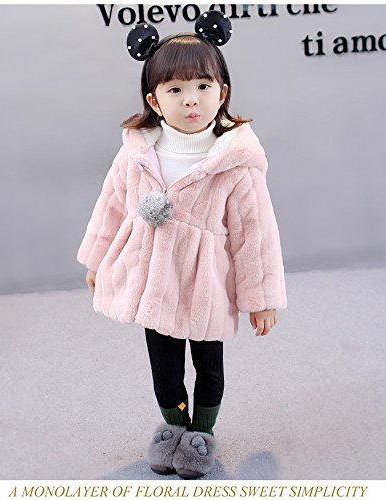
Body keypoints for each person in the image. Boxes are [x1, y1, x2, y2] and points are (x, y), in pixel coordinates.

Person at [76, 10, 287, 479]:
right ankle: (173, 427)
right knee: (164, 364)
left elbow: (255, 234)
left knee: (208, 363)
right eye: (175, 90)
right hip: (156, 279)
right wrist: (96, 259)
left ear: (222, 93)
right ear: (154, 99)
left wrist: (261, 297)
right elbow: (112, 205)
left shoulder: (235, 162)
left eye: (202, 86)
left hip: (208, 281)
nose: (191, 99)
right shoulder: (138, 152)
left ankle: (201, 434)